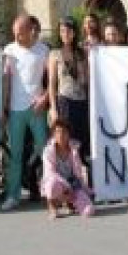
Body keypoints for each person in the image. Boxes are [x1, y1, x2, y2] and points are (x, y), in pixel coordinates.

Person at [1, 14, 50, 211]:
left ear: (31, 31)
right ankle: (13, 195)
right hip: (15, 109)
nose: (17, 38)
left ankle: (49, 191)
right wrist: (4, 107)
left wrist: (45, 97)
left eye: (20, 34)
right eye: (15, 34)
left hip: (36, 107)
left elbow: (53, 78)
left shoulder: (43, 50)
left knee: (45, 150)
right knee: (15, 154)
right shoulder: (9, 50)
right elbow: (6, 80)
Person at [48, 18, 89, 160]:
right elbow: (52, 84)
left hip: (81, 102)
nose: (65, 34)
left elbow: (87, 80)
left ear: (74, 32)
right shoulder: (54, 54)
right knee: (64, 141)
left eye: (68, 31)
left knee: (81, 141)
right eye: (62, 31)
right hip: (64, 102)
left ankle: (80, 176)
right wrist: (53, 108)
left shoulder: (82, 53)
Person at [41, 119, 94, 219]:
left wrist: (83, 189)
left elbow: (78, 174)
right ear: (53, 135)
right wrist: (66, 187)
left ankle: (71, 203)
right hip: (56, 182)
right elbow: (50, 173)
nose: (61, 135)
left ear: (68, 134)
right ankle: (52, 208)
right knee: (52, 185)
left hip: (73, 184)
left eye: (64, 132)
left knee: (89, 211)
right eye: (57, 132)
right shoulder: (47, 151)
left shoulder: (74, 149)